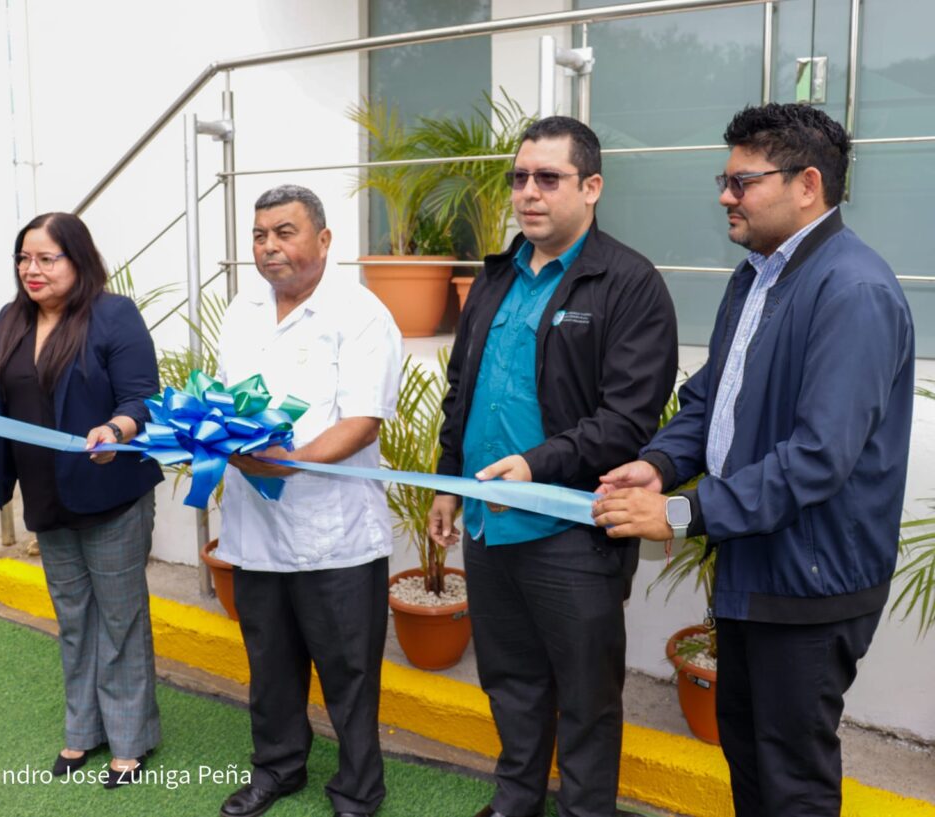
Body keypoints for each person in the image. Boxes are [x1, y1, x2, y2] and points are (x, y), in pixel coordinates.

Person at [593, 103, 915, 817]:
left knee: (790, 778)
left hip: (810, 579)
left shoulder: (853, 290)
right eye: (725, 179)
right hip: (756, 561)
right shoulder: (757, 277)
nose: (724, 196)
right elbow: (710, 401)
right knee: (748, 750)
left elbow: (817, 457)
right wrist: (659, 464)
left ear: (807, 185)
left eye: (742, 182)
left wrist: (683, 510)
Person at [429, 116, 678, 817]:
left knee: (587, 696)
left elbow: (629, 419)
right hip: (486, 520)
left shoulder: (628, 284)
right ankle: (516, 800)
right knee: (508, 680)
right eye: (519, 178)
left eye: (549, 178)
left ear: (592, 186)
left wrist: (536, 466)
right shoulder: (496, 277)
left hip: (572, 530)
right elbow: (462, 387)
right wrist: (448, 478)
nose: (527, 193)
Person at [0, 212, 164, 789]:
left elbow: (142, 399)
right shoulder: (10, 320)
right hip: (45, 497)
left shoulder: (113, 315)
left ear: (78, 260)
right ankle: (83, 730)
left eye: (46, 258)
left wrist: (117, 430)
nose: (31, 270)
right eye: (23, 259)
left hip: (112, 493)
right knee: (75, 621)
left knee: (120, 618)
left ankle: (130, 741)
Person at [214, 185, 401, 817]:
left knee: (348, 674)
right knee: (269, 666)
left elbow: (362, 422)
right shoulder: (241, 309)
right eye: (260, 234)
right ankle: (277, 768)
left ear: (324, 239)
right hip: (254, 524)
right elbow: (222, 402)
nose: (270, 247)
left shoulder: (362, 313)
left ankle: (357, 790)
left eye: (285, 232)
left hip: (335, 534)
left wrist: (286, 462)